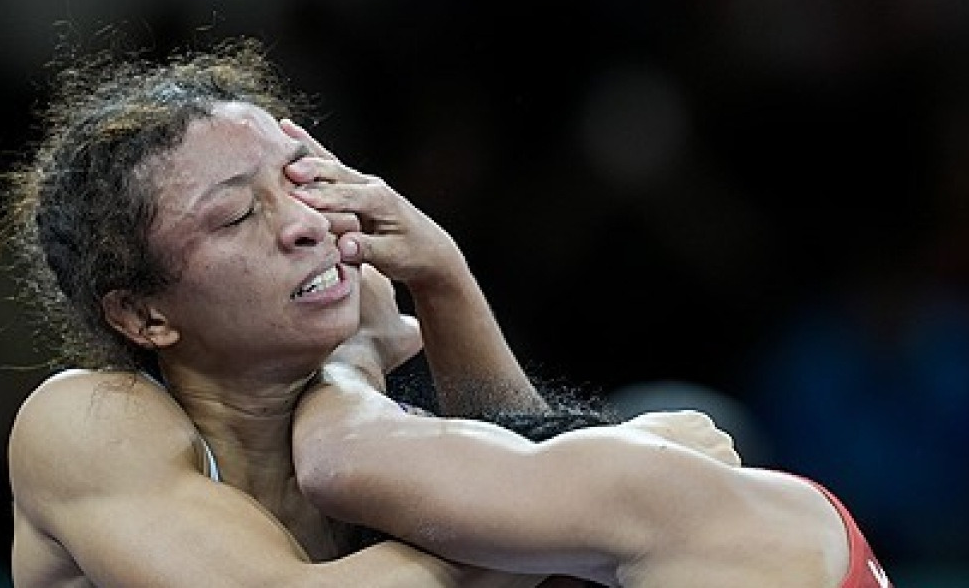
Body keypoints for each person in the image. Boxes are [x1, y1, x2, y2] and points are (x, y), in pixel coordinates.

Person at [0, 32, 582, 587]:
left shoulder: (362, 427)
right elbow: (570, 517)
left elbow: (558, 539)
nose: (304, 223)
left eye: (302, 178)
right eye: (239, 213)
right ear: (141, 315)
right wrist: (359, 363)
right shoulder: (84, 424)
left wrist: (441, 275)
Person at [280, 123, 894, 588]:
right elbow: (514, 468)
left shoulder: (657, 492)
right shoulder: (663, 520)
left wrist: (358, 345)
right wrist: (442, 278)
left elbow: (340, 460)